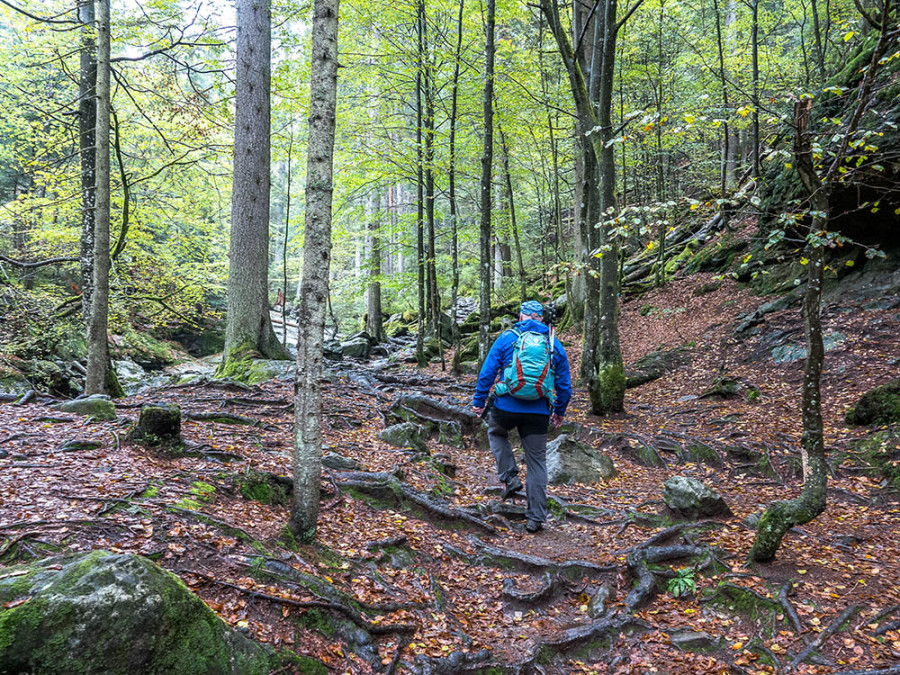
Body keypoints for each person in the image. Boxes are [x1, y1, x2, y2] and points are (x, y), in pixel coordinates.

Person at [471, 300, 571, 533]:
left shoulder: (507, 338)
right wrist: (559, 411)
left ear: (522, 316)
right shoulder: (553, 343)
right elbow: (564, 385)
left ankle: (510, 477)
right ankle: (536, 517)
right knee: (537, 463)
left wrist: (478, 402)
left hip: (505, 406)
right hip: (538, 411)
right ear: (541, 319)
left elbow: (487, 372)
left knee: (495, 432)